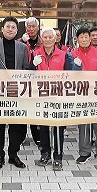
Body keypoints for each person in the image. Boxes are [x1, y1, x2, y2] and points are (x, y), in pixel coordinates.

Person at [0, 16, 32, 169]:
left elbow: (25, 70)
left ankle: (13, 154)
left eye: (13, 27)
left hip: (16, 92)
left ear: (17, 30)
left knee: (15, 126)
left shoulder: (23, 47)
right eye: (7, 26)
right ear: (2, 29)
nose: (10, 29)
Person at [31, 27, 75, 171]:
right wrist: (32, 65)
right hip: (41, 96)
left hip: (58, 97)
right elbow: (26, 75)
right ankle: (45, 154)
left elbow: (70, 76)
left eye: (51, 37)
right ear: (41, 39)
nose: (48, 39)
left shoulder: (64, 55)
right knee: (43, 127)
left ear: (56, 39)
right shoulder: (35, 54)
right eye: (45, 37)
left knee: (57, 128)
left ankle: (58, 157)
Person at [72, 27, 97, 166]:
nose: (84, 39)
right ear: (77, 39)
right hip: (81, 95)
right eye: (81, 37)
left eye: (86, 37)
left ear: (90, 38)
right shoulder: (72, 54)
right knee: (83, 125)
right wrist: (76, 67)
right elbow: (71, 75)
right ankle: (84, 152)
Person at [21, 17, 42, 145]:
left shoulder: (43, 41)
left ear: (38, 28)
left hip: (38, 82)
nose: (31, 29)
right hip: (23, 82)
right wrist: (23, 43)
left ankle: (38, 137)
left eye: (33, 26)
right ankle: (21, 136)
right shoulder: (20, 42)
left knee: (36, 110)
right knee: (23, 110)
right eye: (28, 26)